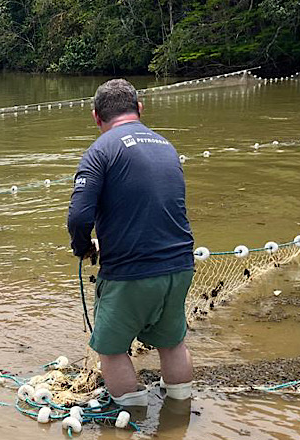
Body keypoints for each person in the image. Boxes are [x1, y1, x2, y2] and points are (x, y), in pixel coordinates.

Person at [66, 78, 195, 406]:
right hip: (180, 265)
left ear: (96, 117)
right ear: (139, 108)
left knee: (111, 349)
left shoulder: (100, 152)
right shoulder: (166, 145)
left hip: (131, 272)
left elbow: (79, 217)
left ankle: (132, 421)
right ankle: (179, 413)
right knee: (172, 342)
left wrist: (83, 247)